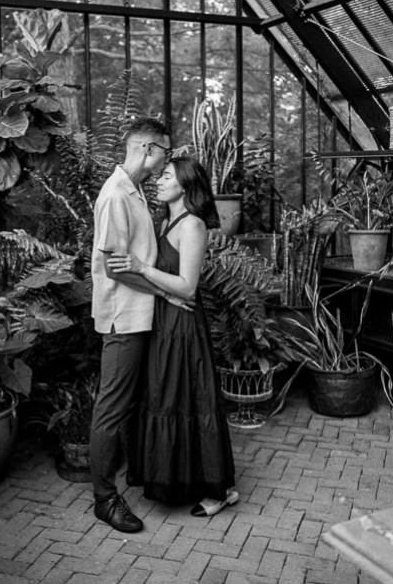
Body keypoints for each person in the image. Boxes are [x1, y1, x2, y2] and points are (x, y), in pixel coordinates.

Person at [108, 157, 238, 516]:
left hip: (182, 328)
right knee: (167, 399)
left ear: (185, 184)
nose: (159, 181)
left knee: (192, 403)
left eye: (167, 176)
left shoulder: (192, 225)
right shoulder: (165, 220)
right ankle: (185, 478)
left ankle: (219, 491)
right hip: (162, 323)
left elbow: (188, 287)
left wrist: (140, 267)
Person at [89, 116, 190, 534]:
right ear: (148, 149)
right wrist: (166, 292)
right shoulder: (116, 195)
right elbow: (116, 268)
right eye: (165, 152)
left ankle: (132, 477)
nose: (167, 160)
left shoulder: (133, 192)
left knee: (129, 406)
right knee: (111, 410)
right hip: (123, 318)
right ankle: (103, 499)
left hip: (140, 315)